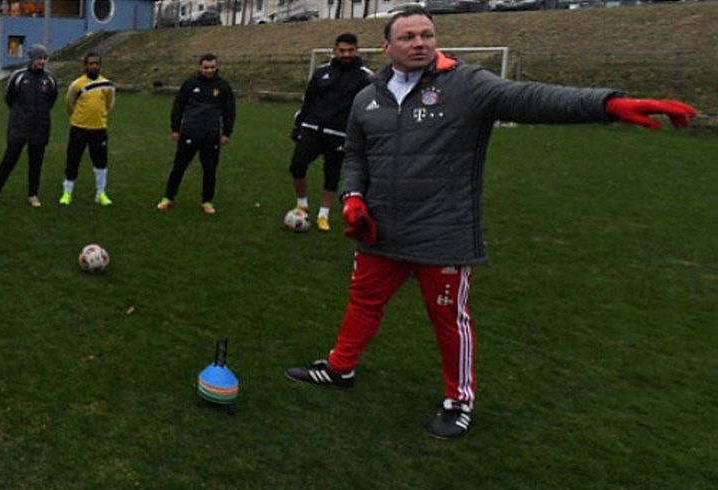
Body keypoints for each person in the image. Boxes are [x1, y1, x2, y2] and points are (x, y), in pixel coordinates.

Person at [284, 7, 696, 440]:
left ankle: (458, 399)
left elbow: (532, 99)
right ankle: (340, 367)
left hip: (443, 232)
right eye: (407, 37)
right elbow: (355, 157)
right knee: (363, 301)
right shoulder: (369, 98)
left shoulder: (467, 85)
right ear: (387, 46)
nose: (419, 42)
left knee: (448, 318)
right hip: (381, 231)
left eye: (427, 34)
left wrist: (608, 103)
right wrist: (352, 199)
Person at [288, 33, 372, 232]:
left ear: (356, 50)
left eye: (350, 50)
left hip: (340, 133)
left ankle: (323, 215)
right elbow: (308, 100)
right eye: (342, 50)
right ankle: (302, 203)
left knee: (331, 174)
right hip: (312, 127)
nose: (346, 54)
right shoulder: (321, 72)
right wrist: (298, 124)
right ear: (335, 50)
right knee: (297, 165)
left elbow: (367, 108)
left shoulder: (365, 76)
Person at [156, 53, 236, 215]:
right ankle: (168, 197)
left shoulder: (223, 86)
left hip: (211, 135)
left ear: (216, 67)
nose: (209, 70)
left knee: (210, 170)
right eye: (206, 67)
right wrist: (175, 128)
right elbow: (178, 106)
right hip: (189, 133)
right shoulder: (190, 84)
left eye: (212, 67)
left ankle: (207, 201)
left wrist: (226, 133)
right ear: (200, 67)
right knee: (179, 167)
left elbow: (230, 111)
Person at [0, 44, 58, 208]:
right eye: (39, 58)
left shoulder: (49, 79)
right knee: (9, 160)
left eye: (44, 58)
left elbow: (51, 101)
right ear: (32, 59)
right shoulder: (18, 76)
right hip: (19, 127)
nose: (42, 62)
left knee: (36, 163)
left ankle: (33, 195)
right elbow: (8, 97)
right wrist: (20, 115)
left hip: (40, 128)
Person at [58, 51, 115, 207]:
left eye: (97, 63)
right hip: (79, 129)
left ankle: (101, 193)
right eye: (91, 63)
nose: (94, 66)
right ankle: (67, 193)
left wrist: (100, 116)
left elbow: (109, 104)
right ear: (85, 66)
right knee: (73, 161)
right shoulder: (76, 84)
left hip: (99, 129)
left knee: (101, 163)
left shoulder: (107, 84)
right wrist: (79, 117)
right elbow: (69, 104)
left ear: (100, 65)